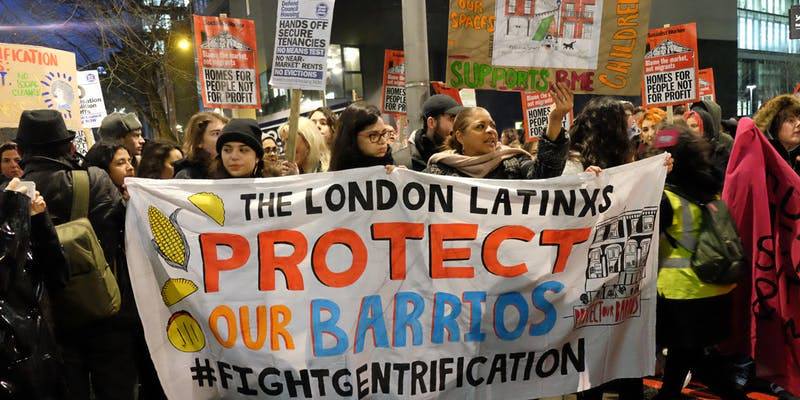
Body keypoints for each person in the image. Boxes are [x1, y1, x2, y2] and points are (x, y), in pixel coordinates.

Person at [15, 109, 135, 400]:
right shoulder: (95, 180)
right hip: (105, 304)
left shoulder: (12, 195)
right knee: (116, 387)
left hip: (48, 317)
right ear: (68, 146)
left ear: (21, 152)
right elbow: (125, 229)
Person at [647, 124, 740, 400]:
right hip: (716, 288)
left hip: (682, 293)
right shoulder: (708, 188)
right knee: (685, 352)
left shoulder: (665, 197)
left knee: (694, 357)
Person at [0, 177, 69, 399]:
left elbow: (58, 275)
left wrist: (38, 220)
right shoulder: (9, 211)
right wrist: (14, 209)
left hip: (40, 351)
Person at [425, 83, 572, 179]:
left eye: (493, 126)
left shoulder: (514, 163)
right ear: (460, 137)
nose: (491, 131)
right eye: (480, 126)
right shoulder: (439, 171)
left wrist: (555, 120)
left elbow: (544, 177)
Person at [564, 97, 636, 175]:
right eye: (620, 123)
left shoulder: (619, 154)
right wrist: (585, 178)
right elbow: (564, 181)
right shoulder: (574, 162)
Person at [329, 102, 395, 171]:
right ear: (352, 138)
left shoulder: (390, 163)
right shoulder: (337, 173)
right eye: (373, 135)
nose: (383, 141)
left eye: (384, 133)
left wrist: (400, 174)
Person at [407, 94, 464, 171]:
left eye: (458, 119)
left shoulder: (463, 149)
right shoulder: (408, 159)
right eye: (452, 119)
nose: (457, 125)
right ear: (431, 122)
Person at [754, 94, 800, 175]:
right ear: (773, 125)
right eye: (790, 120)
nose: (799, 123)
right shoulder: (765, 162)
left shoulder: (778, 156)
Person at [174, 111, 229, 179]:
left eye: (225, 133)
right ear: (199, 141)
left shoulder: (233, 169)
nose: (223, 137)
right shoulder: (188, 176)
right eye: (216, 133)